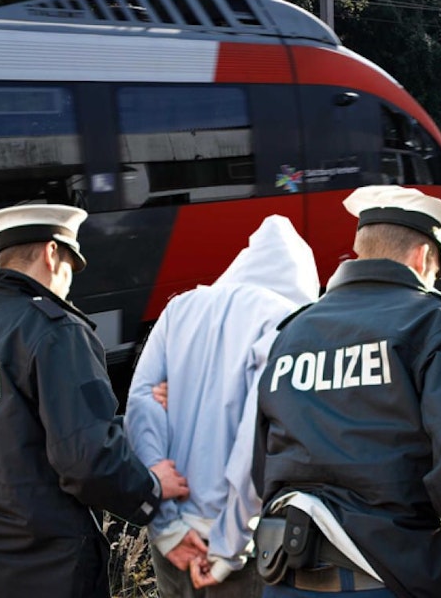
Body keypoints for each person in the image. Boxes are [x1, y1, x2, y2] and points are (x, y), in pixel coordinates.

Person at [253, 185, 441, 598]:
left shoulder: (292, 332)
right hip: (387, 579)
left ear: (361, 249)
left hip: (284, 578)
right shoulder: (435, 322)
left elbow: (263, 461)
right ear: (422, 259)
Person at [0, 203, 190, 598]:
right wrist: (151, 488)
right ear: (52, 252)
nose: (70, 283)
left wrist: (133, 418)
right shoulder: (55, 330)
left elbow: (11, 433)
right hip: (42, 569)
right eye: (72, 268)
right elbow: (86, 461)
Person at [125, 215, 321, 597]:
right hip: (237, 542)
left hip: (172, 536)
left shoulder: (179, 309)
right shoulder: (284, 322)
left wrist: (167, 528)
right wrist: (229, 547)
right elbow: (259, 440)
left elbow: (141, 408)